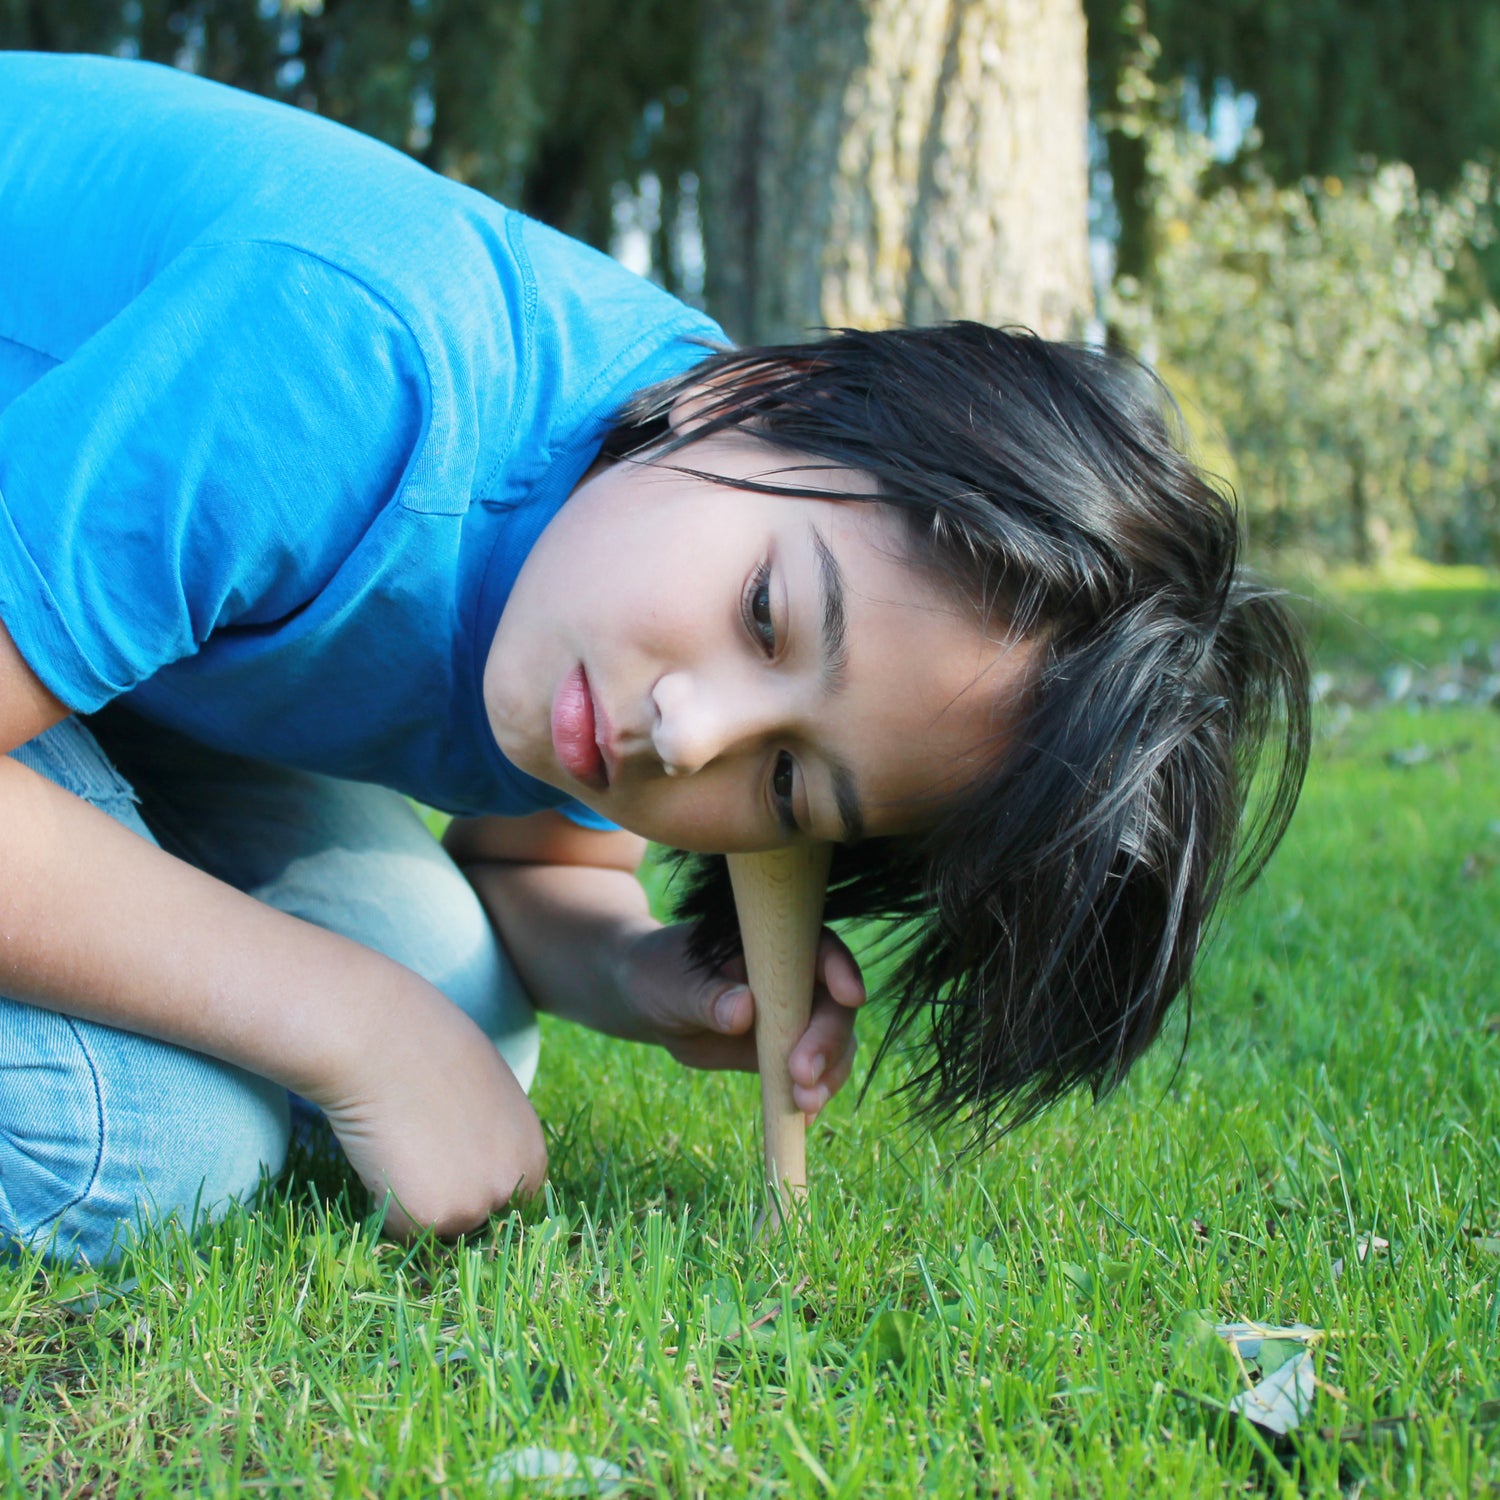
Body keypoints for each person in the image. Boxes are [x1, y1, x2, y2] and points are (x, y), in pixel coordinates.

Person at [0, 51, 1309, 1267]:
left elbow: (537, 862)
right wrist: (349, 1025)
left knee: (464, 1001)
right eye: (766, 619)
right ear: (747, 398)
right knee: (144, 1141)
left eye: (791, 783)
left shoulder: (653, 519)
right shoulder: (354, 359)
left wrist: (636, 973)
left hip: (99, 633)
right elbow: (356, 1022)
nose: (688, 736)